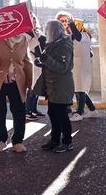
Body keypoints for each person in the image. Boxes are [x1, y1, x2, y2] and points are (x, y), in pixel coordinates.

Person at [35, 20, 76, 153]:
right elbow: (51, 62)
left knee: (62, 115)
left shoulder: (64, 45)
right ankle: (54, 139)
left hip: (61, 86)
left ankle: (67, 142)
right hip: (53, 86)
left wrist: (46, 59)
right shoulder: (53, 44)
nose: (46, 32)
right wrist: (42, 60)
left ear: (53, 31)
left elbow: (63, 67)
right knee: (53, 113)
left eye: (47, 30)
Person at [70, 19, 97, 121]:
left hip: (82, 66)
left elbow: (78, 37)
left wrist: (72, 25)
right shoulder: (74, 36)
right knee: (80, 89)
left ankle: (79, 113)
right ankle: (92, 110)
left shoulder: (84, 35)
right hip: (76, 67)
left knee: (80, 89)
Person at [26, 14, 46, 121]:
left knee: (37, 88)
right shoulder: (24, 34)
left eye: (34, 20)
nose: (32, 22)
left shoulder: (37, 32)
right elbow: (28, 47)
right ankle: (28, 111)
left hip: (41, 64)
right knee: (32, 89)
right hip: (32, 63)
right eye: (30, 20)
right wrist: (36, 38)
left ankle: (34, 109)